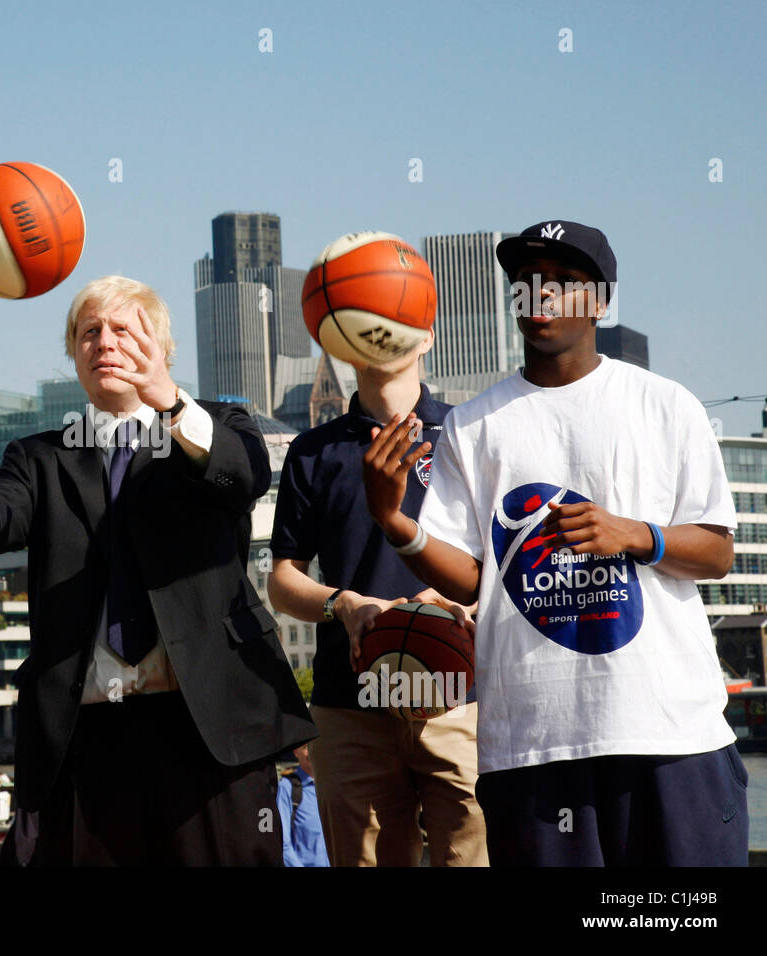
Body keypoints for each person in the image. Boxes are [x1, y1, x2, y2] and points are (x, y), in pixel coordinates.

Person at [362, 220, 747, 866]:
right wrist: (397, 524)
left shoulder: (666, 405)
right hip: (532, 745)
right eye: (527, 282)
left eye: (565, 282)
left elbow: (716, 551)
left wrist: (636, 535)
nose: (541, 295)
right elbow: (471, 578)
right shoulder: (470, 424)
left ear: (600, 302)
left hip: (669, 730)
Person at [0, 275, 315, 866]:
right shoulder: (38, 457)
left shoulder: (220, 426)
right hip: (86, 735)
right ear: (75, 357)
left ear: (161, 351)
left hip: (208, 724)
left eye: (123, 331)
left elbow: (241, 477)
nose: (104, 344)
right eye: (89, 333)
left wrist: (170, 403)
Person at [268, 328, 488, 867]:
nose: (385, 334)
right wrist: (342, 603)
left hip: (464, 696)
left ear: (429, 337)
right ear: (345, 341)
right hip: (351, 703)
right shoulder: (313, 450)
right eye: (371, 322)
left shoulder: (471, 434)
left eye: (399, 322)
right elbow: (282, 580)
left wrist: (464, 601)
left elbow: (511, 562)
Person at [276, 743, 329, 867]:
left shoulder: (332, 786)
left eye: (315, 746)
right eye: (305, 747)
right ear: (295, 752)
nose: (311, 752)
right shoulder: (287, 787)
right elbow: (283, 843)